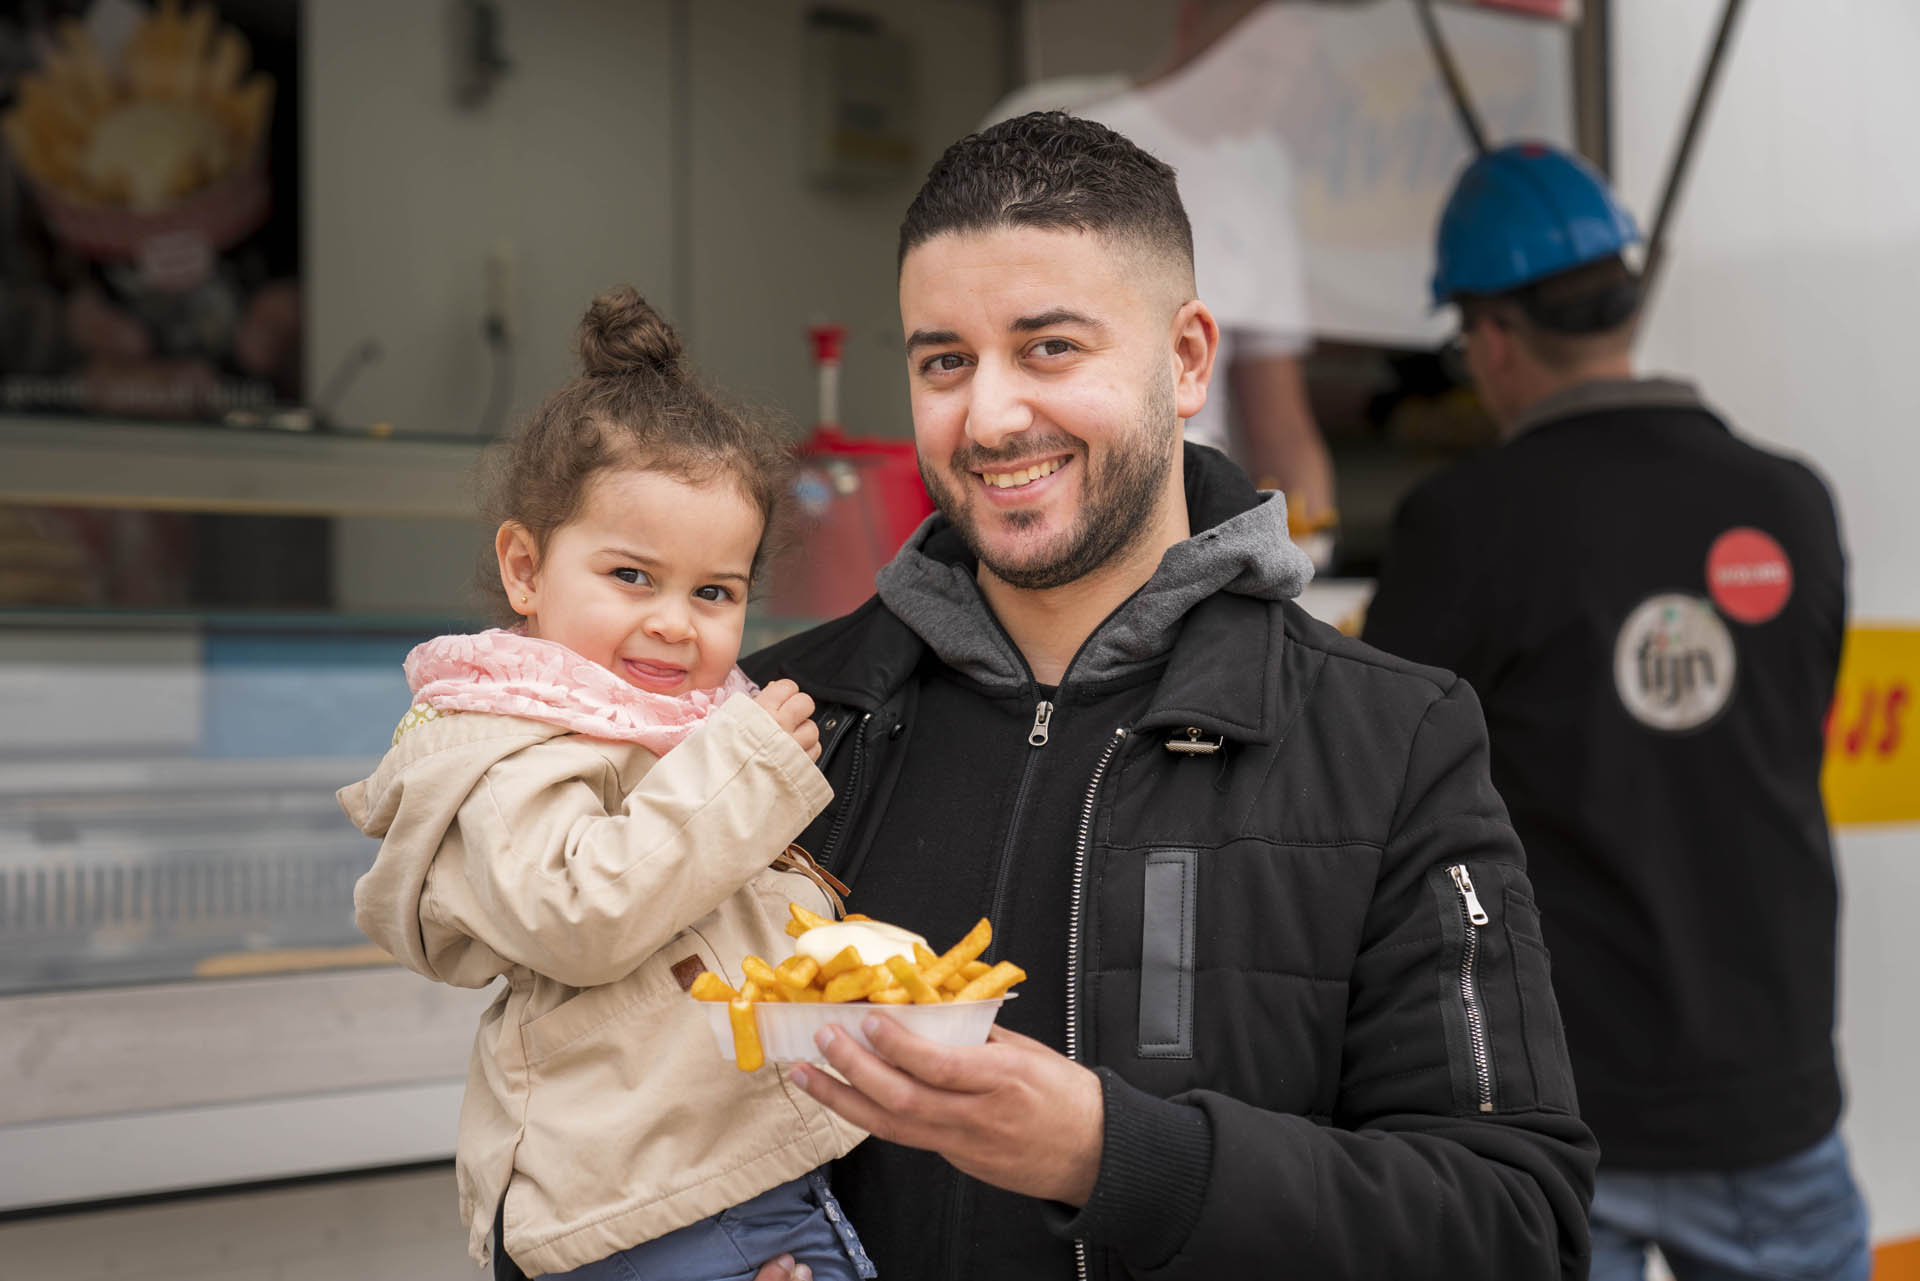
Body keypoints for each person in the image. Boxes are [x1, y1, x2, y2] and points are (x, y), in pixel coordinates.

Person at [743, 111, 1595, 1280]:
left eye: (1049, 348)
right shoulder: (774, 724)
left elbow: (1513, 1224)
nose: (989, 416)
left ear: (1189, 360)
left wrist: (1117, 1158)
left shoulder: (1394, 739)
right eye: (945, 360)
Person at [1363, 142, 1871, 1281]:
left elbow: (1377, 780)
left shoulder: (1468, 522)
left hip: (1551, 1108)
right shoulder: (1791, 502)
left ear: (1489, 336)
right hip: (1766, 1091)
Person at [339, 289, 873, 1281]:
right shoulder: (499, 746)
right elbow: (582, 913)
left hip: (730, 1183)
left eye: (715, 591)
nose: (678, 621)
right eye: (632, 575)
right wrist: (747, 772)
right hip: (635, 1213)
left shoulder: (687, 728)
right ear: (525, 569)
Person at [980, 0, 1338, 564]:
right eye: (1256, 64)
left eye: (1294, 74)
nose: (1272, 93)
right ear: (1193, 20)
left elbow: (1278, 409)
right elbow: (982, 320)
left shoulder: (1260, 170)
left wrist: (1314, 549)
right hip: (1056, 475)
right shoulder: (1060, 122)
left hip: (1195, 504)